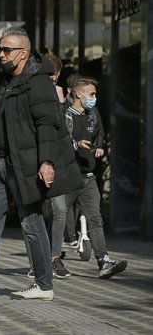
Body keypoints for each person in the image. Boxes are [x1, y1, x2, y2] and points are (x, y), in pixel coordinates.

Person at [0, 27, 82, 301]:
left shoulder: (38, 82)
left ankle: (44, 284)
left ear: (23, 53)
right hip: (3, 163)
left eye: (7, 49)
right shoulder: (10, 81)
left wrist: (45, 161)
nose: (1, 54)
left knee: (31, 222)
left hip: (25, 164)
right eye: (0, 49)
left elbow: (47, 123)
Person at [63, 76, 127, 279]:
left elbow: (99, 131)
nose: (94, 98)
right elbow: (58, 143)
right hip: (68, 175)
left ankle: (104, 262)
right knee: (59, 217)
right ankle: (47, 258)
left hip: (89, 177)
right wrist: (75, 145)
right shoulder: (65, 116)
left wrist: (99, 146)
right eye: (91, 94)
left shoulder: (93, 114)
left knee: (95, 219)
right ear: (78, 94)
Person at [22, 53, 73, 279]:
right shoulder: (29, 90)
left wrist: (61, 104)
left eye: (52, 74)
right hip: (33, 160)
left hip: (57, 161)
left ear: (58, 75)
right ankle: (35, 261)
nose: (48, 78)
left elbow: (67, 131)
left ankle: (54, 258)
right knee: (33, 211)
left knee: (60, 209)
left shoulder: (63, 97)